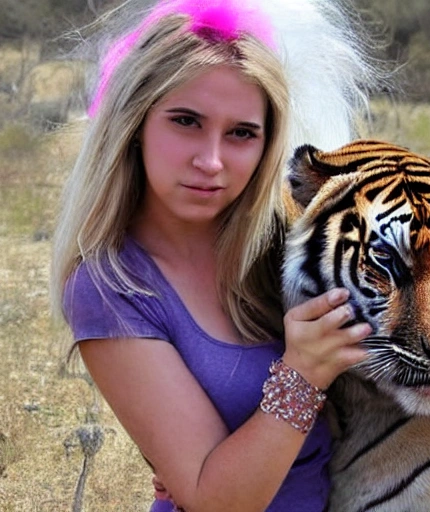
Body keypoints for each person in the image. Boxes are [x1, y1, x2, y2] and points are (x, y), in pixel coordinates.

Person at [50, 0, 374, 510]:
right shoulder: (109, 285)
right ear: (135, 123)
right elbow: (214, 498)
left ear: (269, 144)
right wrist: (303, 372)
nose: (211, 161)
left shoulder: (289, 242)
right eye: (185, 121)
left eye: (241, 133)